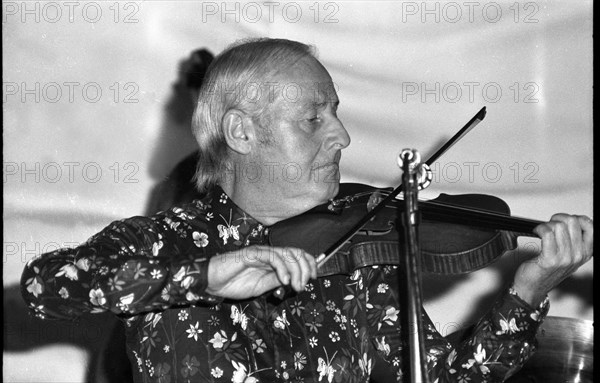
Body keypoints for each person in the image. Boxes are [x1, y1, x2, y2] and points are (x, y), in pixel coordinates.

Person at [21, 38, 593, 383]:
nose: (342, 137)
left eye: (337, 114)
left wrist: (529, 291)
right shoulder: (171, 241)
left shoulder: (364, 251)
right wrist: (203, 277)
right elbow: (44, 287)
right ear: (242, 132)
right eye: (314, 118)